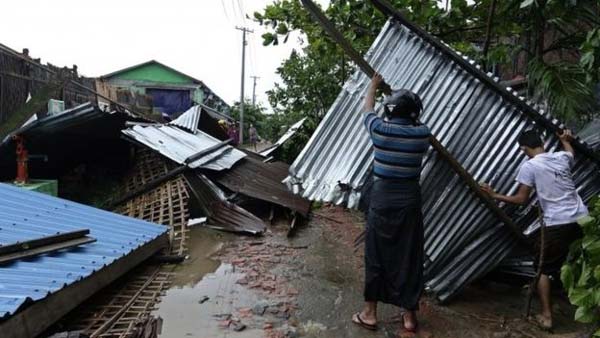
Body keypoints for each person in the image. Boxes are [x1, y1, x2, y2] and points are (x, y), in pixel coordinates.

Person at [481, 129, 588, 330]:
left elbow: (521, 199)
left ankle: (546, 316)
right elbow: (570, 152)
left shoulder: (530, 166)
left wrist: (494, 195)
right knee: (571, 260)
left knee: (543, 269)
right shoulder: (561, 157)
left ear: (523, 148)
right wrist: (565, 140)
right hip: (582, 218)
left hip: (558, 222)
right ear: (542, 143)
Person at [351, 73, 430, 333]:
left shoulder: (379, 130)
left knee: (376, 256)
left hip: (382, 201)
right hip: (409, 203)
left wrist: (374, 85)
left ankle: (370, 314)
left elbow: (367, 109)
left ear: (389, 111)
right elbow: (416, 120)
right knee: (408, 257)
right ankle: (409, 318)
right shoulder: (422, 135)